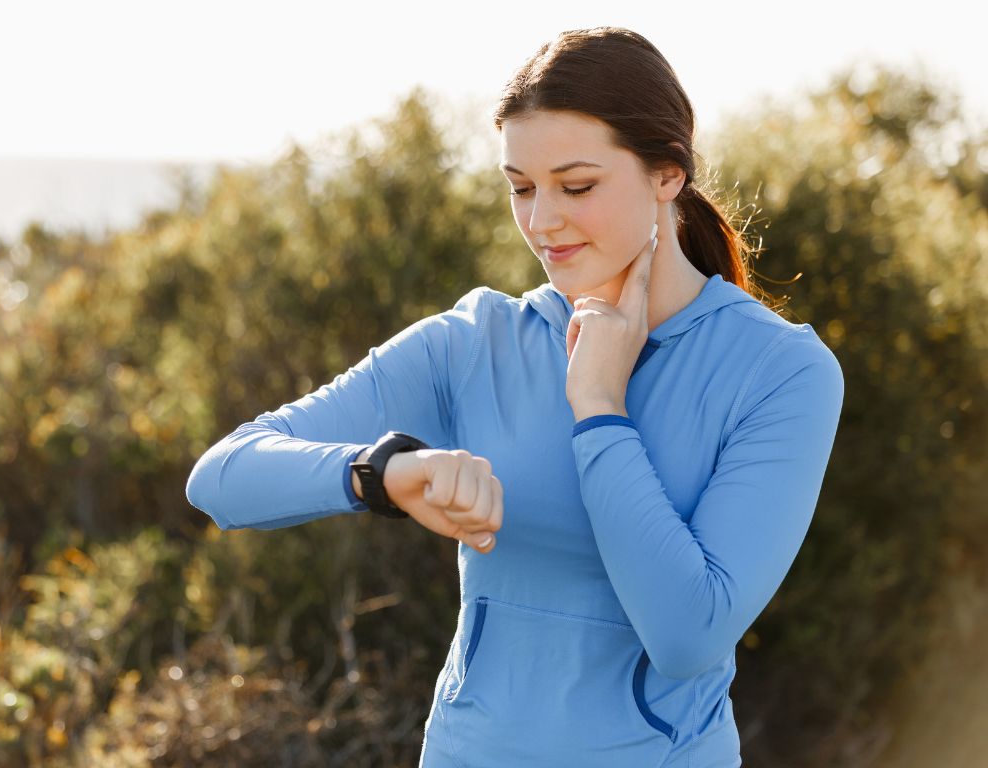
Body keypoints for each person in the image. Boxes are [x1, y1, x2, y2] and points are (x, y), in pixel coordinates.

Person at [185, 26, 843, 768]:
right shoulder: (476, 341)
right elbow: (223, 477)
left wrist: (599, 408)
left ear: (667, 174)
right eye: (521, 189)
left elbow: (688, 636)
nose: (541, 222)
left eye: (577, 186)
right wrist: (385, 473)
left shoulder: (781, 370)